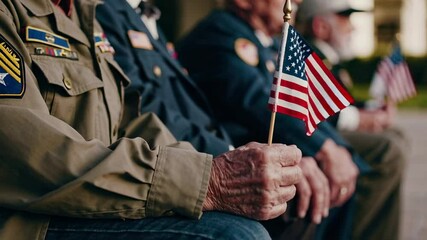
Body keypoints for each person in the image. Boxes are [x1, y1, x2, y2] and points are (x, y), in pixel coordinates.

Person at [0, 0, 303, 239]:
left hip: (93, 200)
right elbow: (30, 153)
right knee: (234, 235)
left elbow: (129, 122)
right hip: (30, 221)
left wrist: (218, 168)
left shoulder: (81, 11)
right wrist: (204, 181)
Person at [95, 1, 331, 239]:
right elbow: (140, 110)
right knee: (250, 228)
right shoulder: (105, 10)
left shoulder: (142, 15)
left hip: (191, 154)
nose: (296, 1)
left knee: (305, 189)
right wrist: (232, 159)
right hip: (166, 167)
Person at [177, 0, 371, 239]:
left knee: (344, 167)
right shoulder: (219, 33)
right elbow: (258, 101)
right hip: (228, 149)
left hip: (261, 141)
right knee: (317, 177)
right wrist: (326, 149)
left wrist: (337, 149)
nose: (297, 1)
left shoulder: (268, 39)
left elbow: (300, 100)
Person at [295, 0, 407, 239]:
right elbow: (314, 106)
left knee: (396, 138)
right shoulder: (305, 56)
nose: (352, 28)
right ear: (320, 26)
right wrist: (360, 119)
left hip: (322, 131)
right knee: (387, 149)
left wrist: (371, 109)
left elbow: (339, 102)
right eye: (344, 18)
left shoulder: (328, 60)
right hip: (311, 135)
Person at [96, 0, 234, 157]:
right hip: (175, 157)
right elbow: (137, 103)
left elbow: (178, 98)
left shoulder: (141, 13)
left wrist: (226, 147)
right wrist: (221, 151)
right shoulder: (105, 9)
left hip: (200, 148)